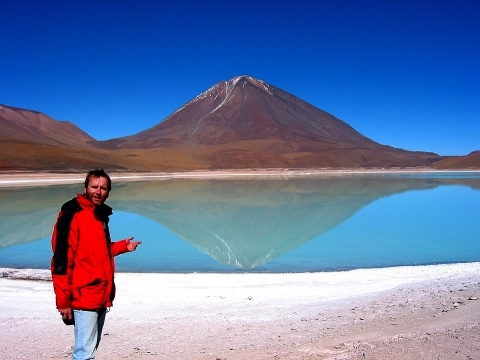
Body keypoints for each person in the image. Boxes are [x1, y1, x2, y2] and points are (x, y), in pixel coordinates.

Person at [50, 169, 142, 360]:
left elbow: (96, 250)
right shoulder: (72, 214)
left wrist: (122, 247)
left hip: (101, 293)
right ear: (86, 187)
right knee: (84, 353)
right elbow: (61, 260)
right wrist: (63, 302)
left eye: (103, 188)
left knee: (89, 349)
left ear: (108, 192)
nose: (98, 192)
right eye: (94, 187)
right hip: (84, 296)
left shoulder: (98, 215)